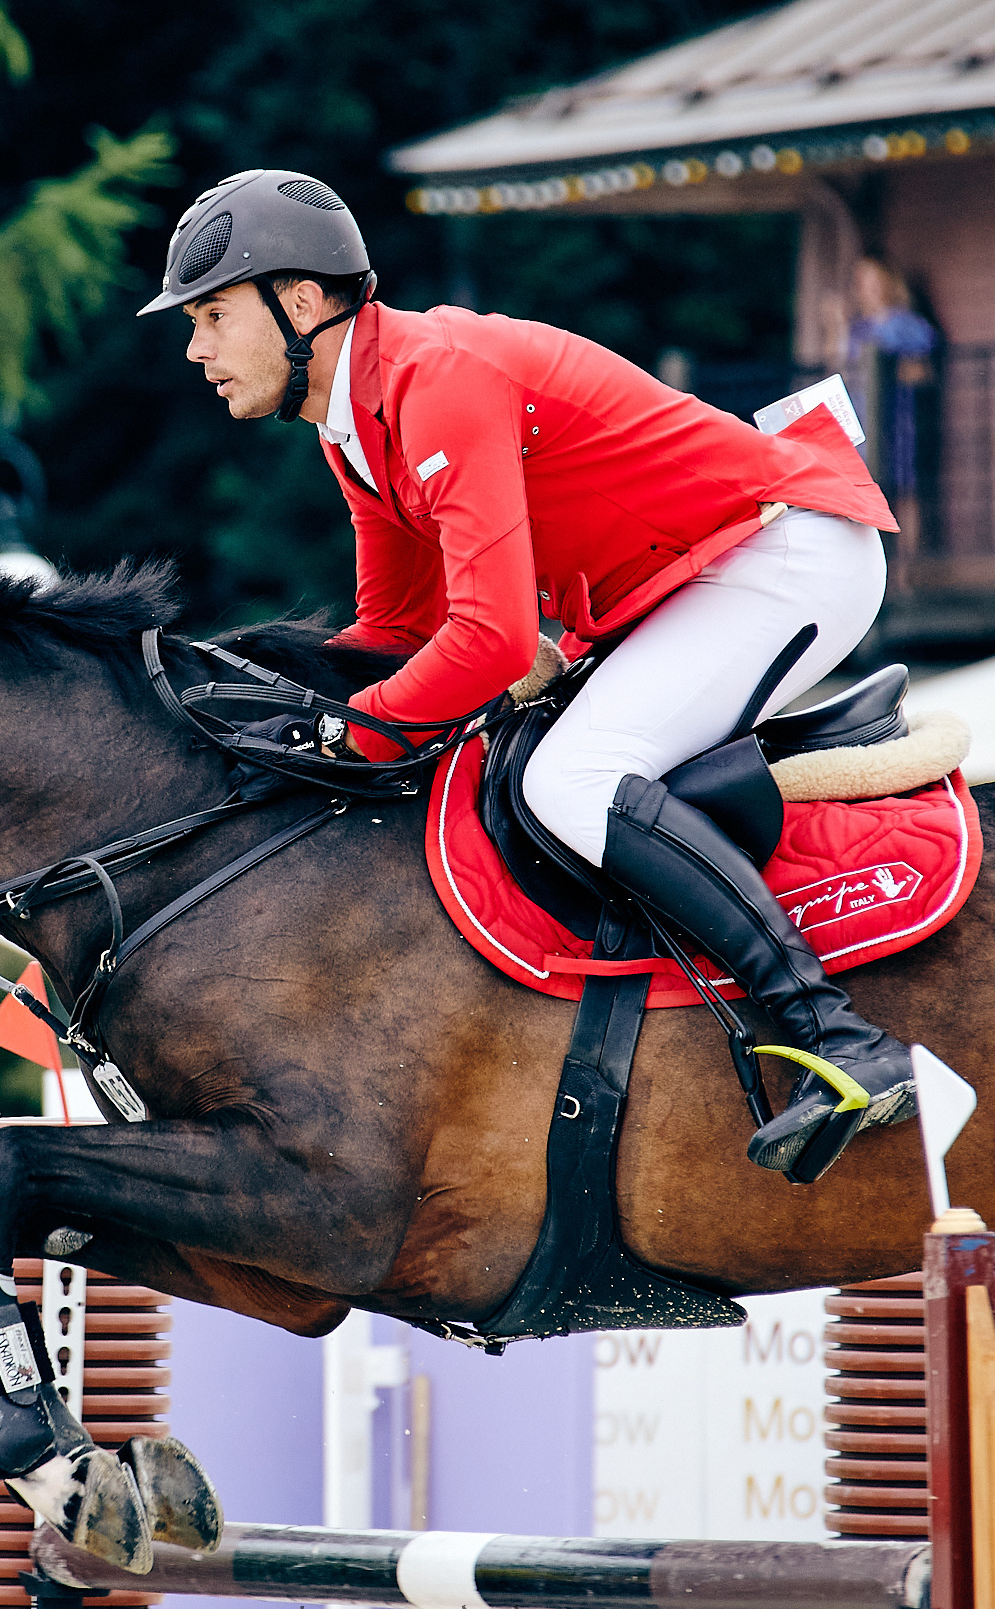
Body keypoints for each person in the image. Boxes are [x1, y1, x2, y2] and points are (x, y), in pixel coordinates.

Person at [146, 169, 915, 1179]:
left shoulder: (436, 381)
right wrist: (257, 708)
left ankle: (838, 1035)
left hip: (785, 553)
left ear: (300, 304)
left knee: (570, 780)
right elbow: (397, 630)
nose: (195, 349)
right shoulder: (354, 427)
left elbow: (496, 642)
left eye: (212, 315)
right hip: (695, 577)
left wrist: (347, 729)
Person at [841, 258, 938, 557]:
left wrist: (886, 372)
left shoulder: (906, 324)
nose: (865, 288)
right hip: (862, 421)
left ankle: (907, 566)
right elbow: (841, 369)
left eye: (871, 280)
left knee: (905, 490)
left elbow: (923, 370)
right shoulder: (857, 328)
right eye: (860, 282)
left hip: (898, 420)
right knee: (865, 490)